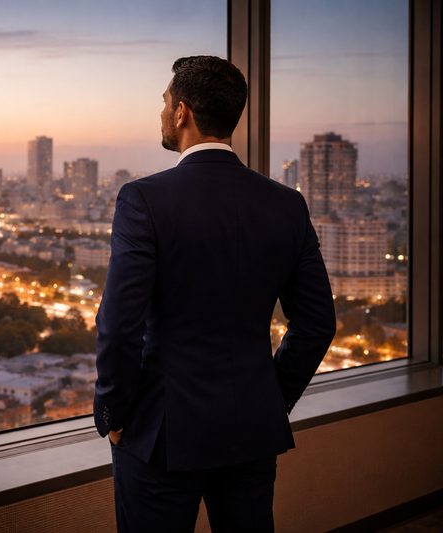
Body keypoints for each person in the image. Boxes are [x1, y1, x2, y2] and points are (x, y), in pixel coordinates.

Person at [93, 55, 337, 532]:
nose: (161, 113)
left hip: (160, 431)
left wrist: (114, 415)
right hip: (250, 426)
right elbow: (317, 324)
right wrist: (270, 396)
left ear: (182, 112)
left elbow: (119, 325)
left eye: (164, 102)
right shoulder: (287, 205)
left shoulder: (143, 199)